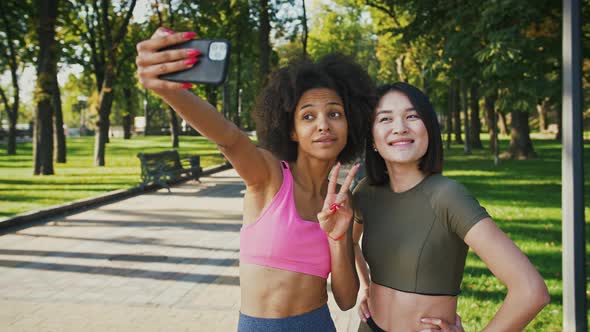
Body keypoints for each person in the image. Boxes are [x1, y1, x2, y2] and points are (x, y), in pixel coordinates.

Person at [136, 27, 375, 331]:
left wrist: (338, 239)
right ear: (291, 130)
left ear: (349, 124)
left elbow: (345, 299)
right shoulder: (270, 174)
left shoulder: (342, 198)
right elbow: (229, 139)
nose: (324, 125)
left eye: (335, 114)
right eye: (308, 116)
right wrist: (170, 91)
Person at [352, 82, 550, 332]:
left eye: (412, 116)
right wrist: (365, 285)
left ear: (430, 129)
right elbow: (349, 242)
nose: (399, 128)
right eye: (385, 119)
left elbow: (531, 291)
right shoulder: (366, 192)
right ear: (372, 138)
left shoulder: (448, 196)